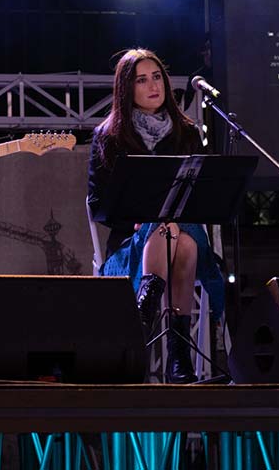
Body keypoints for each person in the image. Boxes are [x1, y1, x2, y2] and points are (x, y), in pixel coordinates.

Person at [86, 48, 224, 384]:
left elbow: (202, 194)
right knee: (169, 233)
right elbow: (98, 204)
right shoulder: (109, 136)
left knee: (177, 235)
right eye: (142, 80)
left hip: (183, 234)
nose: (153, 86)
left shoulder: (187, 133)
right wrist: (136, 219)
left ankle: (145, 326)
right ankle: (178, 357)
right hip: (130, 244)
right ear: (126, 89)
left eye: (157, 77)